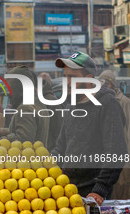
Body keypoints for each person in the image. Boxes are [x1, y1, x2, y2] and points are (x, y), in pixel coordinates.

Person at [52, 52, 127, 205]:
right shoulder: (71, 105)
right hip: (69, 191)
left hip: (93, 198)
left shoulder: (108, 104)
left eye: (72, 77)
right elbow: (61, 148)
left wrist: (100, 189)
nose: (67, 82)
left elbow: (116, 151)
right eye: (65, 76)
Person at [99, 70, 130, 200]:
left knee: (120, 188)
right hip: (105, 153)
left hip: (122, 151)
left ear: (112, 84)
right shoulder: (100, 100)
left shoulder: (124, 102)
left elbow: (128, 130)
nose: (104, 85)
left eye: (106, 82)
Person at [7, 66, 50, 146]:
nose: (8, 93)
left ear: (18, 87)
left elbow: (23, 144)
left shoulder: (26, 109)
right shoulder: (38, 104)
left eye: (10, 88)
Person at [38, 73, 64, 151]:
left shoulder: (35, 102)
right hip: (50, 150)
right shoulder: (55, 102)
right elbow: (60, 130)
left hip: (44, 150)